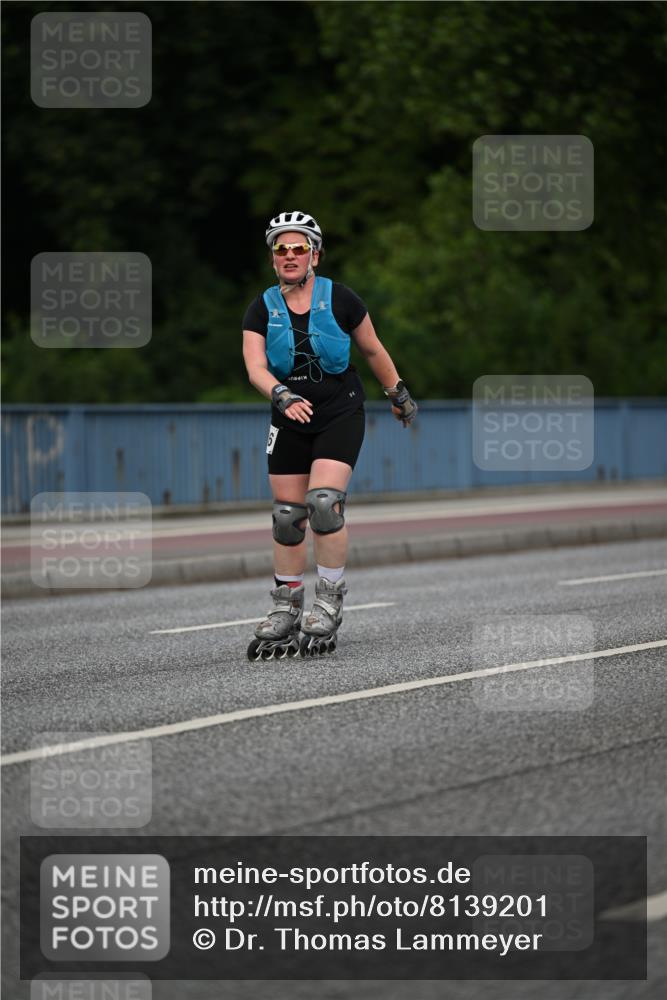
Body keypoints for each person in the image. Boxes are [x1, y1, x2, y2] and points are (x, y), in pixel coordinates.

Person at [242, 210, 417, 660]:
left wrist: (397, 394)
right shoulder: (261, 307)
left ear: (314, 255)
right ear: (273, 259)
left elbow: (373, 348)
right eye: (281, 248)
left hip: (340, 410)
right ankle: (285, 607)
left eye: (298, 247)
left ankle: (329, 598)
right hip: (289, 416)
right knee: (287, 515)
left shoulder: (342, 299)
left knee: (323, 503)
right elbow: (255, 367)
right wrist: (280, 394)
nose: (289, 255)